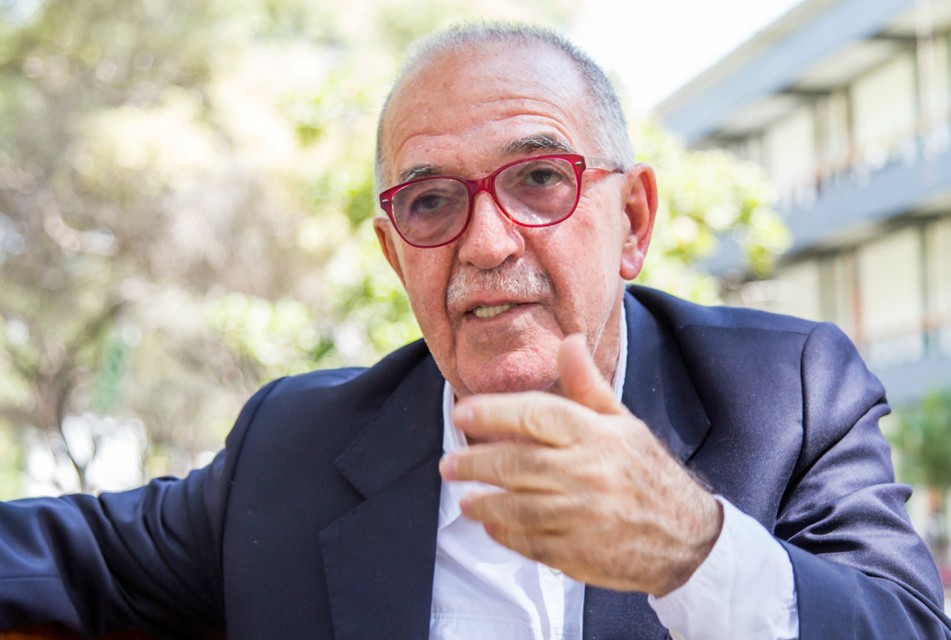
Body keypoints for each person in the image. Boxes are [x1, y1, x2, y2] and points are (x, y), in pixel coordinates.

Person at [1, 22, 949, 640]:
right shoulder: (289, 450)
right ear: (393, 255)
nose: (487, 243)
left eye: (538, 180)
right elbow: (58, 556)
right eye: (431, 201)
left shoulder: (789, 393)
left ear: (632, 222)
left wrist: (689, 547)